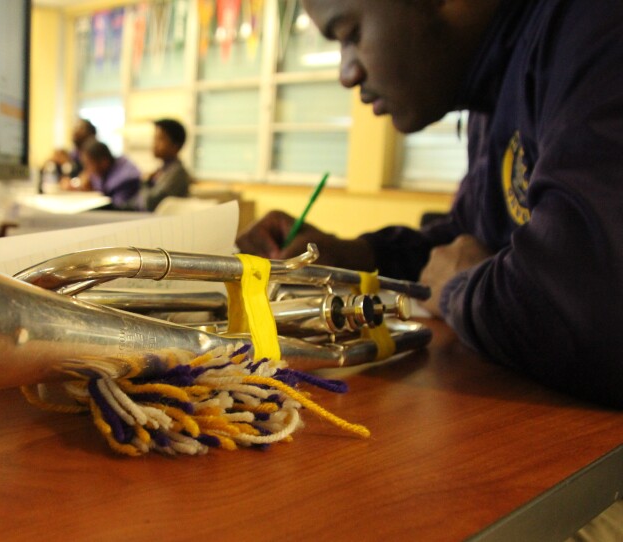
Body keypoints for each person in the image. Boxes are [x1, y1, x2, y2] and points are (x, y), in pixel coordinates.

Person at [235, 0, 623, 410]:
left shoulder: (597, 27)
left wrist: (458, 288)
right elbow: (463, 238)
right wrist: (354, 255)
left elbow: (594, 305)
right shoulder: (491, 90)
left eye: (351, 35)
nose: (347, 74)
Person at [132, 118, 193, 212]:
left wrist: (145, 182)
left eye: (160, 139)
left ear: (175, 145)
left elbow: (150, 204)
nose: (154, 144)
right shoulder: (163, 170)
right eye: (154, 138)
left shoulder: (177, 173)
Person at [79, 139, 142, 209]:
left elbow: (116, 206)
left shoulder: (126, 177)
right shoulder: (103, 172)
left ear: (103, 162)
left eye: (89, 164)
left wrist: (93, 190)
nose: (87, 169)